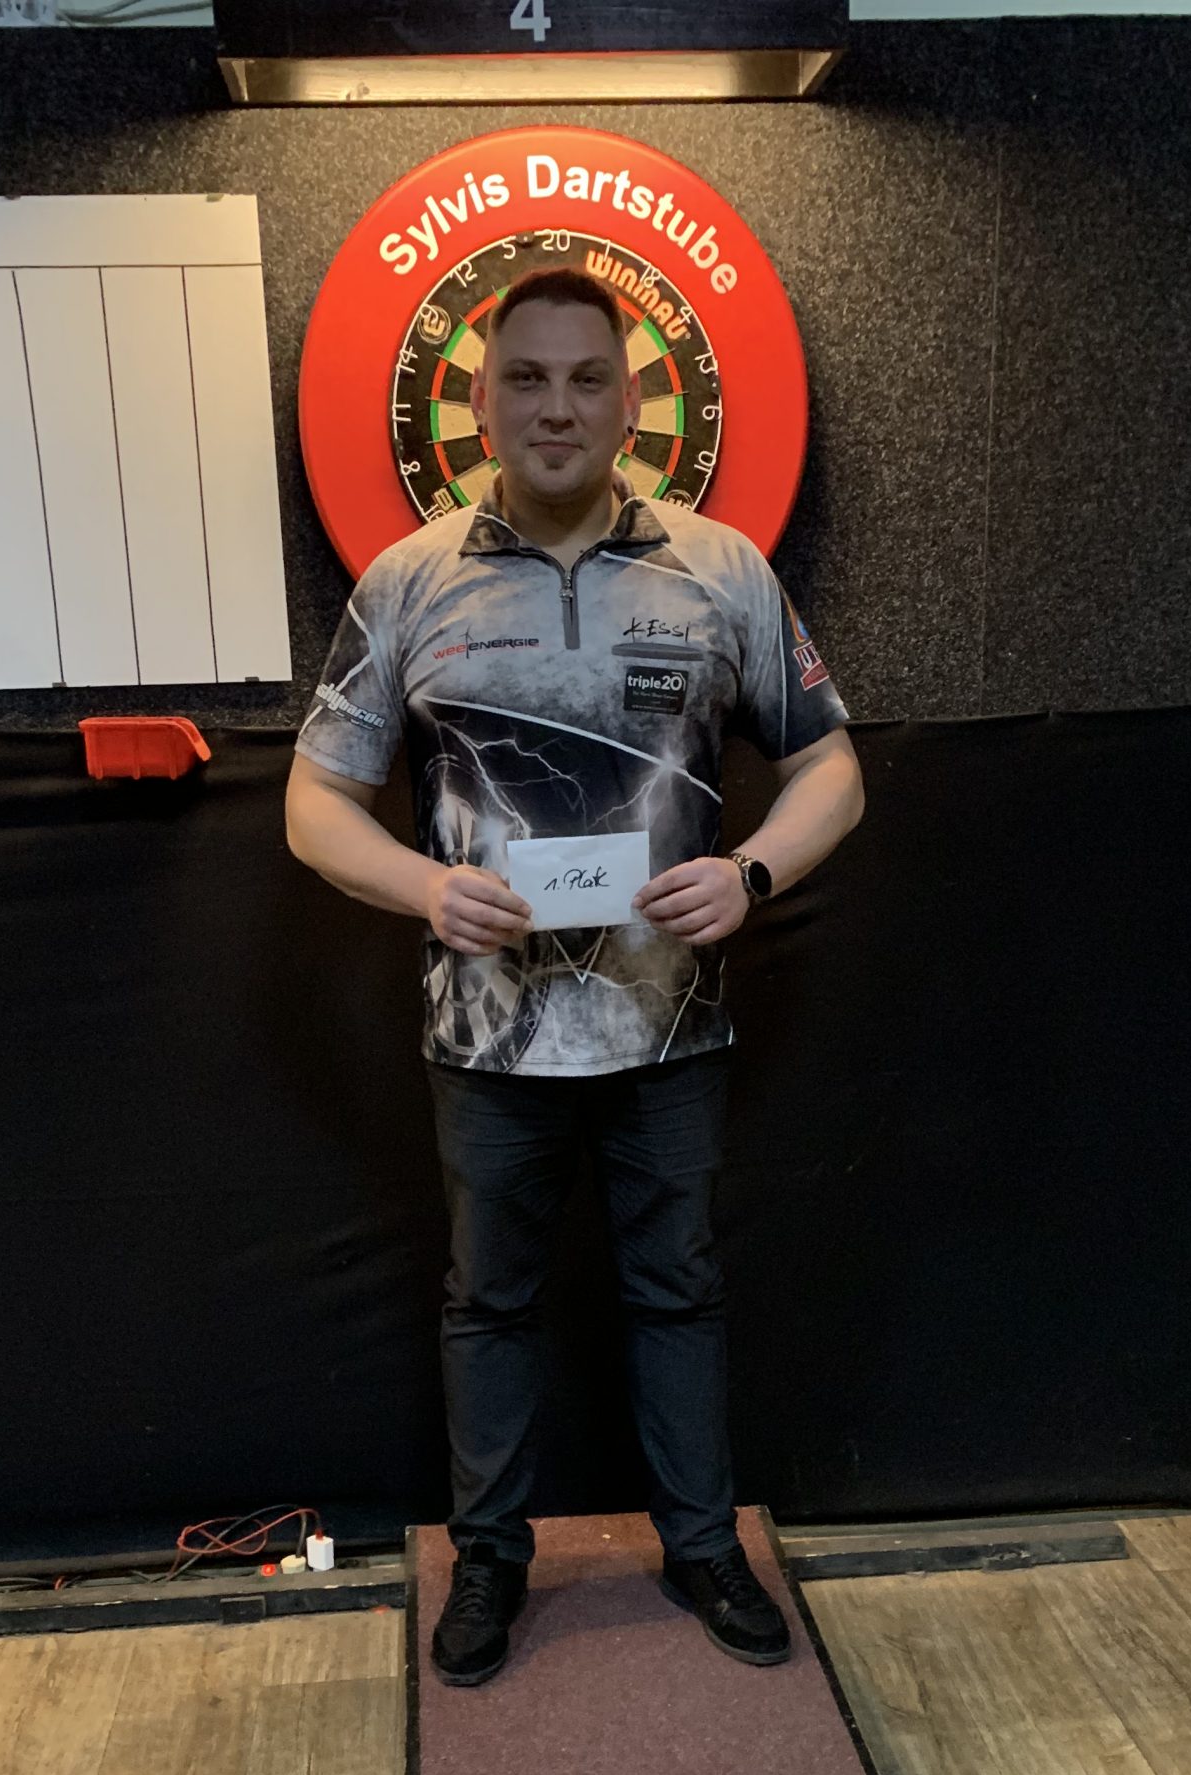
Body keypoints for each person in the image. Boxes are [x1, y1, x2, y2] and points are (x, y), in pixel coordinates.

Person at [286, 262, 863, 1687]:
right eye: (527, 379)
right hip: (487, 1042)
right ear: (480, 402)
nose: (557, 407)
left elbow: (833, 769)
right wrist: (428, 888)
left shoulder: (722, 571)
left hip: (672, 1031)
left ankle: (704, 1548)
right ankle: (489, 1557)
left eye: (587, 378)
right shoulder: (408, 582)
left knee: (679, 1291)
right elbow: (312, 805)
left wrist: (751, 876)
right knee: (488, 1302)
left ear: (631, 402)